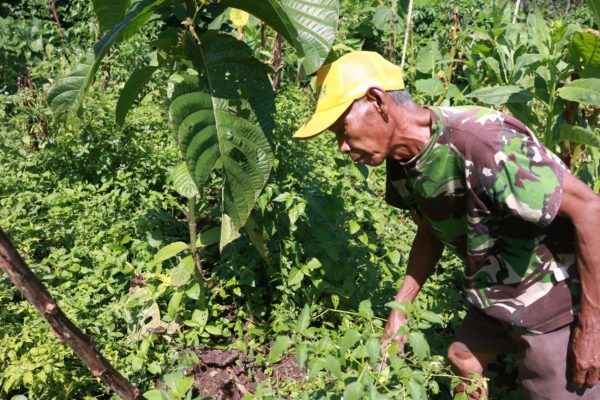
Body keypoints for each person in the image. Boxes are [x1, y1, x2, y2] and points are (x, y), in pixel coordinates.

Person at [293, 51, 600, 399]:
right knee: (463, 358)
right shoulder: (400, 159)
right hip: (497, 293)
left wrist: (592, 327)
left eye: (342, 130)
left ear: (377, 101)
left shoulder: (484, 143)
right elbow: (429, 232)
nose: (342, 147)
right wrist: (400, 311)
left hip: (556, 301)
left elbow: (591, 211)